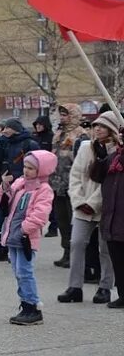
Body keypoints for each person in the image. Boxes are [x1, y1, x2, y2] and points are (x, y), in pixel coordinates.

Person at [58, 111, 119, 304]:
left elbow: (110, 183)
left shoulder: (118, 151)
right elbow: (75, 176)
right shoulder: (86, 147)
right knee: (76, 243)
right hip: (81, 206)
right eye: (95, 125)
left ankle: (105, 287)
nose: (97, 129)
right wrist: (77, 201)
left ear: (112, 128)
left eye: (102, 125)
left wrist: (93, 203)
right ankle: (74, 287)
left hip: (106, 208)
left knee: (105, 249)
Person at [0, 150, 57, 324]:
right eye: (25, 166)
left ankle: (32, 306)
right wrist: (4, 187)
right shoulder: (20, 183)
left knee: (25, 271)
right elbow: (5, 202)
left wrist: (24, 229)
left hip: (25, 237)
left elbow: (40, 215)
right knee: (17, 271)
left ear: (42, 170)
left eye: (31, 168)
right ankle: (25, 303)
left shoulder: (43, 189)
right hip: (13, 235)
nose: (26, 171)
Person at [0, 118, 40, 262]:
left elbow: (38, 164)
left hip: (23, 186)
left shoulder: (29, 143)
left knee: (18, 219)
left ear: (15, 129)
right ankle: (2, 247)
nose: (4, 131)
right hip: (6, 185)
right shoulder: (4, 143)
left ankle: (17, 248)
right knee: (1, 217)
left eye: (7, 128)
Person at [50, 104, 90, 268]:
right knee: (62, 220)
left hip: (73, 185)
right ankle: (66, 251)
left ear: (73, 115)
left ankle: (76, 255)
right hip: (58, 183)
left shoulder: (82, 134)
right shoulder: (58, 134)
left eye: (65, 115)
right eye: (61, 115)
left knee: (74, 221)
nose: (62, 118)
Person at [90, 121, 124, 309]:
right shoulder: (114, 158)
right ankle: (122, 294)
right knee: (117, 259)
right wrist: (101, 158)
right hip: (112, 217)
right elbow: (96, 176)